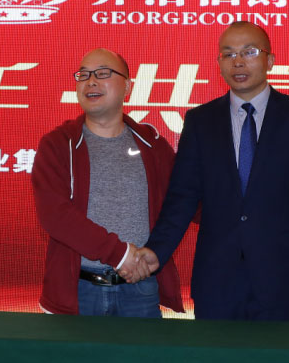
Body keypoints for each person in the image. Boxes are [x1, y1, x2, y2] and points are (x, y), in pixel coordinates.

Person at [140, 22, 289, 321]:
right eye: (229, 54)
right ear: (219, 63)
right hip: (216, 280)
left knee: (281, 353)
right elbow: (182, 198)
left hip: (284, 279)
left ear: (270, 61)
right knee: (217, 353)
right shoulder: (200, 121)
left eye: (249, 52)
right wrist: (156, 251)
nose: (238, 62)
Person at [31, 48, 184, 317]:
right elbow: (55, 215)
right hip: (78, 290)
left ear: (127, 86)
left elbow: (179, 205)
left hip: (139, 288)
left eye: (103, 73)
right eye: (84, 75)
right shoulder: (58, 144)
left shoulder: (153, 146)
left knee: (143, 349)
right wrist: (119, 254)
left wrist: (156, 252)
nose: (91, 82)